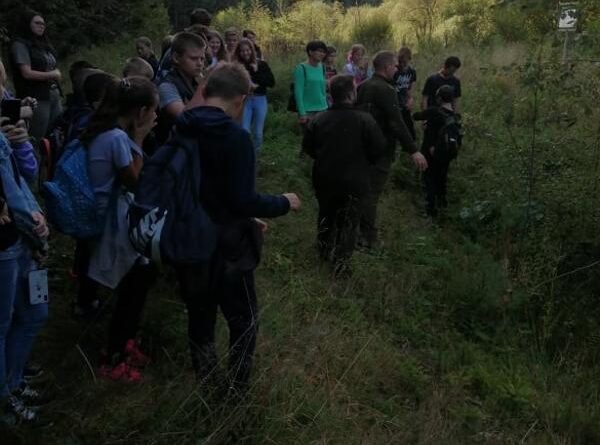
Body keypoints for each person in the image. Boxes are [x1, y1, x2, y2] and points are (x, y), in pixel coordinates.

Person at [173, 63, 301, 391]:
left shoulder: (182, 126)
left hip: (188, 235)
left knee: (200, 315)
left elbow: (196, 187)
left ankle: (207, 382)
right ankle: (237, 389)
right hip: (227, 244)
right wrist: (283, 202)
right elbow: (243, 199)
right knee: (243, 319)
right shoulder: (236, 137)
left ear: (206, 91)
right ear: (241, 99)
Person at [79, 77, 158, 382]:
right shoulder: (116, 138)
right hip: (113, 225)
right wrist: (140, 136)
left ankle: (125, 343)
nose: (155, 116)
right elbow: (135, 179)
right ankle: (113, 356)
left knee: (139, 280)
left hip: (117, 220)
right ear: (141, 112)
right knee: (131, 289)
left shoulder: (109, 132)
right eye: (153, 110)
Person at [303, 75, 386, 276]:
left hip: (324, 177)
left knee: (326, 214)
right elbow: (379, 149)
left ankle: (323, 252)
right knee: (350, 220)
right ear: (351, 93)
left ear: (331, 95)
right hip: (355, 179)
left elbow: (309, 148)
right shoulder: (365, 120)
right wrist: (364, 162)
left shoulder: (318, 119)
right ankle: (341, 264)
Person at [0, 130, 49, 424]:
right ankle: (6, 400)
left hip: (20, 238)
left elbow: (23, 179)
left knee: (34, 313)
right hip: (6, 244)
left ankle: (13, 383)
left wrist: (20, 144)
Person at [356, 51, 428, 248]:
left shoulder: (364, 86)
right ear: (387, 67)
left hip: (362, 146)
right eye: (395, 66)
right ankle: (368, 238)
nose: (397, 69)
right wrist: (413, 150)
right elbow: (396, 122)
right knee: (371, 193)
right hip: (380, 149)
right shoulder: (386, 90)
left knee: (362, 190)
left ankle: (356, 230)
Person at [10, 10, 62, 141]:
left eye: (43, 23)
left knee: (56, 133)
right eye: (37, 23)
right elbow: (26, 73)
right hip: (36, 96)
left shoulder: (43, 45)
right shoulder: (20, 45)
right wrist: (52, 74)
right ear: (27, 24)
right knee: (36, 136)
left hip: (53, 94)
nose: (41, 26)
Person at [413, 85, 462, 218]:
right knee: (442, 178)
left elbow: (416, 116)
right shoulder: (455, 117)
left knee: (429, 179)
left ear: (439, 98)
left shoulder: (434, 111)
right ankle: (443, 206)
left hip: (430, 152)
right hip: (446, 154)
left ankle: (430, 210)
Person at [156, 32, 206, 144]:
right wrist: (203, 85)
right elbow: (185, 117)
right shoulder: (166, 86)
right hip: (173, 148)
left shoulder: (194, 82)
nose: (199, 63)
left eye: (202, 59)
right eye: (193, 58)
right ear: (176, 58)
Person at [234, 39, 275, 153]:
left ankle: (255, 156)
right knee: (244, 130)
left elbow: (271, 83)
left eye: (247, 50)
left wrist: (256, 72)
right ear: (239, 52)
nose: (245, 53)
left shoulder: (261, 64)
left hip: (260, 99)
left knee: (257, 132)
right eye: (242, 51)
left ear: (252, 50)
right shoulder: (237, 67)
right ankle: (244, 154)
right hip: (244, 100)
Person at [293, 40, 328, 129]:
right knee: (309, 136)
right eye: (319, 51)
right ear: (310, 52)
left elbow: (323, 89)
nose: (322, 54)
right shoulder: (301, 68)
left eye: (324, 52)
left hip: (322, 109)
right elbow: (298, 93)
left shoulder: (322, 67)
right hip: (308, 111)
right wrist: (302, 113)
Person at [393, 47, 417, 140]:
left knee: (409, 128)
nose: (402, 64)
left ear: (409, 60)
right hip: (395, 102)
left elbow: (410, 88)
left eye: (404, 62)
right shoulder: (394, 71)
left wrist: (410, 99)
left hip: (404, 103)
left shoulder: (412, 72)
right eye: (400, 62)